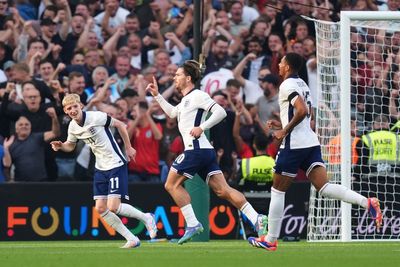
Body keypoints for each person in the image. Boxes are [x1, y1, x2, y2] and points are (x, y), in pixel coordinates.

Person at [248, 53, 383, 251]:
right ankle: (367, 202)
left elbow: (301, 111)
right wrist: (281, 122)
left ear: (287, 67)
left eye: (282, 62)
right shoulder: (302, 83)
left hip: (294, 145)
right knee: (325, 187)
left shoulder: (287, 85)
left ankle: (270, 239)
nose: (278, 65)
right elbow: (302, 114)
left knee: (277, 191)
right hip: (310, 142)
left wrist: (284, 130)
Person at [146, 60, 268, 245]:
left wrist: (202, 127)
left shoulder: (198, 95)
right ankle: (256, 217)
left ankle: (193, 224)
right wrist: (157, 96)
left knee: (171, 185)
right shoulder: (186, 100)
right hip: (204, 151)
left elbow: (220, 112)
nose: (174, 78)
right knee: (223, 190)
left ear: (188, 78)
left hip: (195, 150)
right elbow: (172, 113)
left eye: (177, 75)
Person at [50, 93, 157, 249]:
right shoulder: (72, 127)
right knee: (100, 208)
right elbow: (70, 145)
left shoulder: (96, 117)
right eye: (69, 108)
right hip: (100, 167)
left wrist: (128, 147)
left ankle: (146, 217)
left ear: (80, 105)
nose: (73, 110)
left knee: (113, 206)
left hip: (115, 163)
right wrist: (61, 146)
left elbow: (121, 125)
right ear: (66, 111)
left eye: (75, 106)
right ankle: (132, 239)